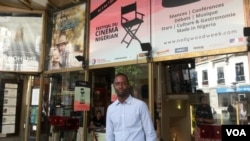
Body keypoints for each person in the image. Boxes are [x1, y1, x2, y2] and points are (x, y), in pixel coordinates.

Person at [106, 73, 157, 141]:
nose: (120, 86)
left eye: (123, 83)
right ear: (114, 86)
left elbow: (150, 133)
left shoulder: (140, 106)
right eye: (117, 84)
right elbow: (109, 135)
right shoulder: (111, 109)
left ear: (128, 85)